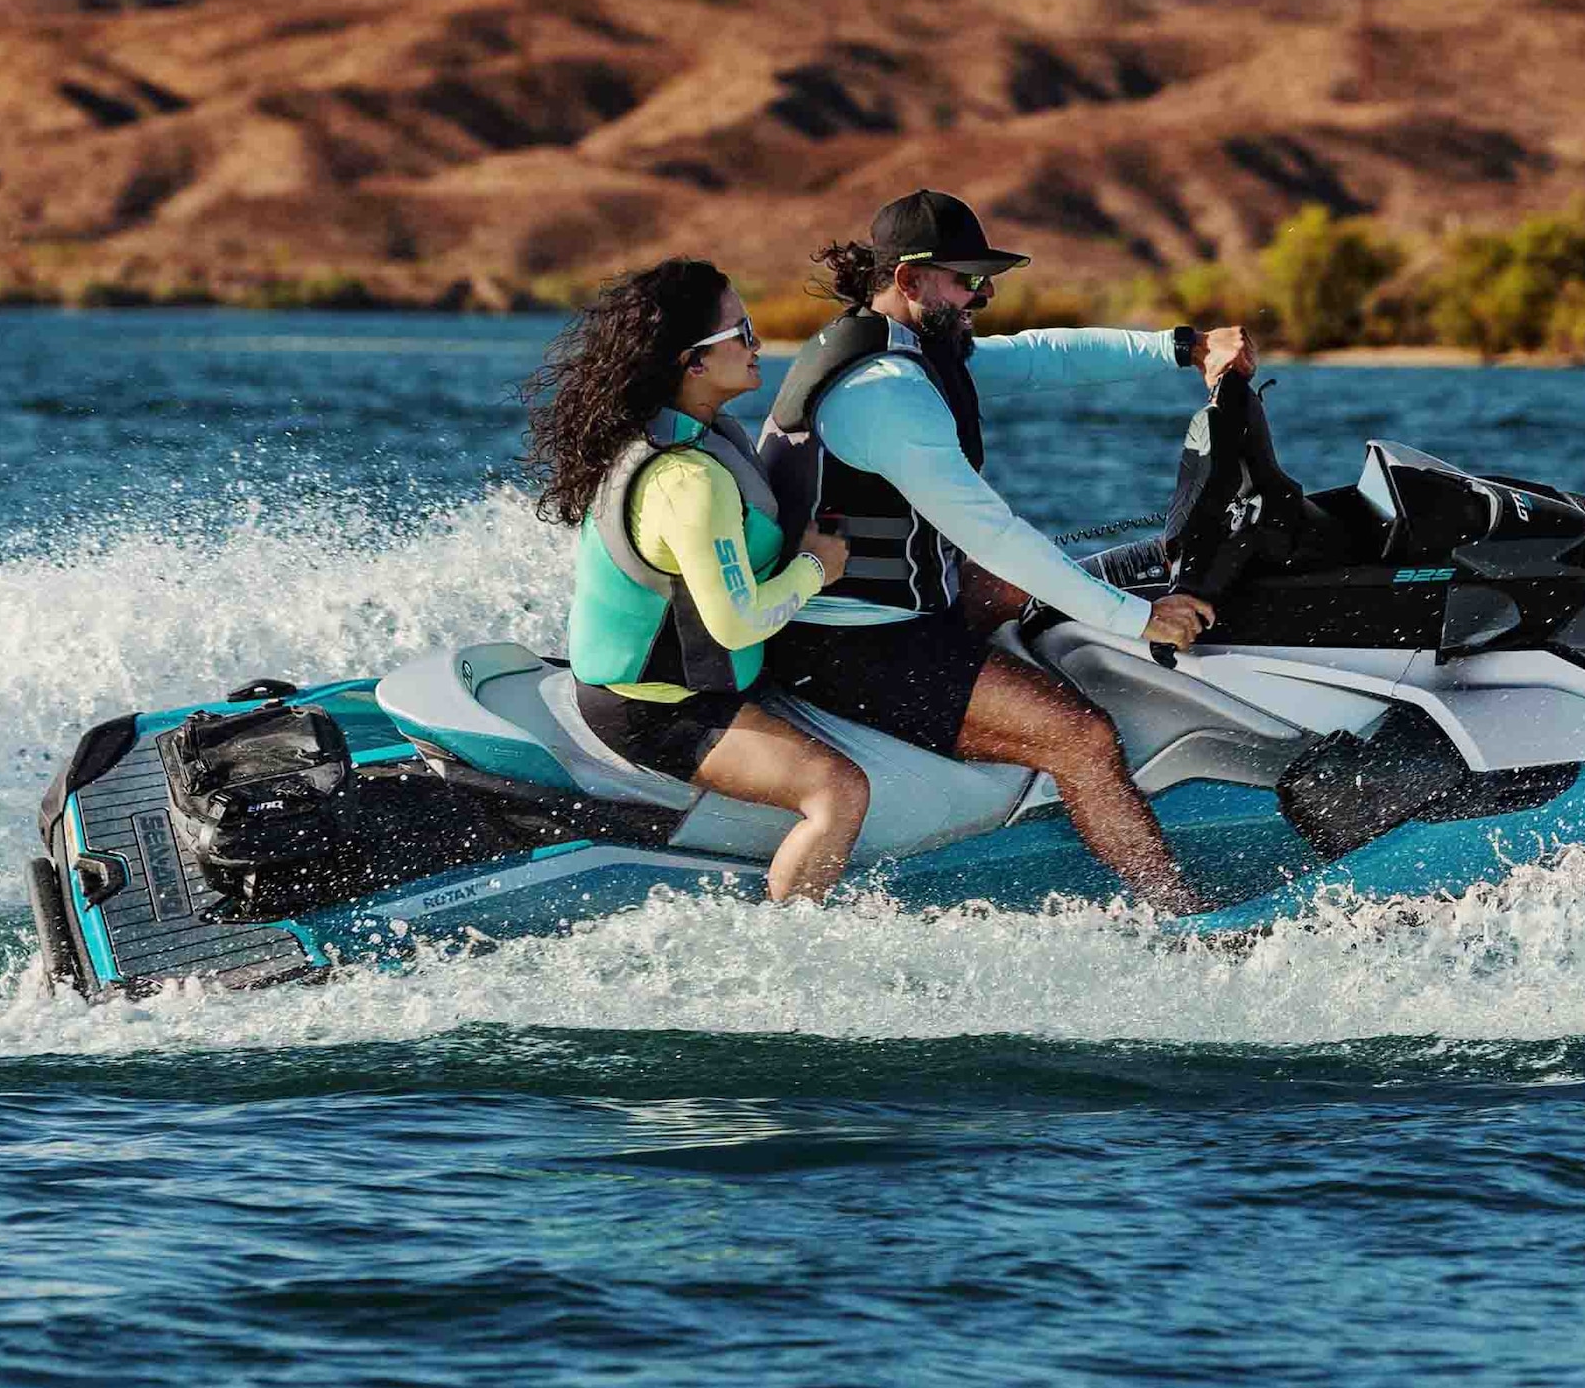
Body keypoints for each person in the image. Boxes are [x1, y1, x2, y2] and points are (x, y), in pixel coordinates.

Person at [756, 189, 1248, 913]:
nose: (983, 293)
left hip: (890, 607)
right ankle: (1180, 915)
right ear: (909, 280)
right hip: (846, 643)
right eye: (967, 279)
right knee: (1080, 736)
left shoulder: (909, 345)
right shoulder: (884, 392)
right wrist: (1133, 621)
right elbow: (992, 531)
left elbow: (1040, 356)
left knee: (1039, 585)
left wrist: (1185, 346)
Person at [527, 260, 871, 904]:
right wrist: (816, 568)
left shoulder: (692, 437)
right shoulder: (689, 478)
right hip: (655, 710)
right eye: (741, 331)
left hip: (679, 685)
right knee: (838, 791)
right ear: (693, 363)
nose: (758, 342)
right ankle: (794, 951)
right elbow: (734, 622)